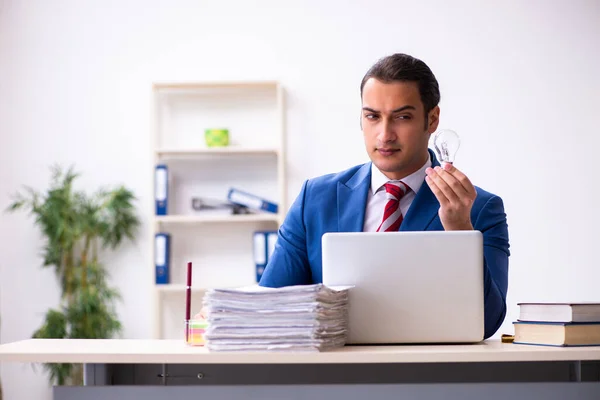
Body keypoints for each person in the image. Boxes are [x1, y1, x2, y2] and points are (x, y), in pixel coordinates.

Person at [259, 53, 510, 339]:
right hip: (335, 375)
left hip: (431, 374)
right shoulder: (315, 199)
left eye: (402, 117)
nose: (384, 135)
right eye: (373, 117)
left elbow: (488, 322)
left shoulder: (479, 208)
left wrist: (460, 232)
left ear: (432, 119)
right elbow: (272, 307)